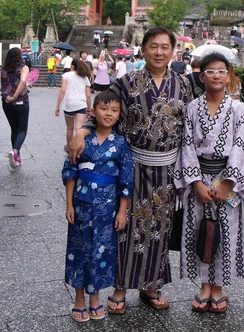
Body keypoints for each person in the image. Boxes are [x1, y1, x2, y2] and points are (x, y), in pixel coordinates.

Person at [69, 27, 192, 314]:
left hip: (167, 171)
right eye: (153, 46)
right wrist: (82, 132)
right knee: (126, 227)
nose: (159, 52)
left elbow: (192, 126)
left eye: (165, 47)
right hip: (132, 166)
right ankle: (120, 286)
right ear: (144, 49)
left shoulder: (184, 85)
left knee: (160, 228)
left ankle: (151, 285)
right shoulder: (126, 83)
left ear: (173, 50)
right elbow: (103, 110)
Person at [174, 52, 244, 314]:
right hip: (199, 178)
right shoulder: (192, 108)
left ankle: (219, 287)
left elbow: (242, 146)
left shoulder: (238, 108)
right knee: (199, 231)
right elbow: (186, 146)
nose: (216, 75)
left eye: (221, 71)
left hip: (227, 180)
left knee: (226, 233)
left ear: (228, 76)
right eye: (210, 71)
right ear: (201, 76)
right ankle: (204, 285)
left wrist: (228, 183)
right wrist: (195, 182)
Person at [62, 90, 133, 322]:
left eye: (114, 110)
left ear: (119, 115)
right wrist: (68, 204)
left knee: (101, 252)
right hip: (82, 204)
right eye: (104, 109)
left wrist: (122, 210)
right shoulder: (82, 140)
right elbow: (71, 171)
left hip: (108, 208)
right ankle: (79, 299)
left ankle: (96, 297)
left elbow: (126, 180)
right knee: (79, 250)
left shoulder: (121, 144)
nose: (108, 114)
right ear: (93, 112)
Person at [0, 47, 30, 168]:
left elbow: (0, 87)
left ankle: (17, 157)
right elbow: (22, 82)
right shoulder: (23, 67)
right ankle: (15, 151)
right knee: (22, 129)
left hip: (6, 101)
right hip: (20, 101)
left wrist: (9, 95)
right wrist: (15, 95)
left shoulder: (4, 69)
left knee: (14, 129)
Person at [55, 60, 92, 153]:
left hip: (69, 104)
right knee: (79, 126)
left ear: (72, 66)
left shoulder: (66, 75)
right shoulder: (85, 78)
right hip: (81, 104)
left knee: (70, 128)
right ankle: (79, 147)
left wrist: (58, 106)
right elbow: (88, 95)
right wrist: (89, 108)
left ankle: (70, 148)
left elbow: (63, 91)